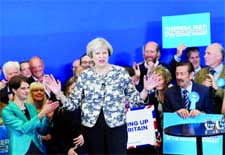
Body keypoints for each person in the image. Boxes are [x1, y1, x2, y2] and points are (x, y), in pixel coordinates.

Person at [45, 37, 144, 155]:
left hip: (116, 126)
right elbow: (72, 105)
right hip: (92, 128)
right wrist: (58, 93)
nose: (101, 56)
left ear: (109, 54)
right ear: (92, 56)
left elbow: (136, 100)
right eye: (97, 53)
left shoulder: (121, 73)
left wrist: (146, 89)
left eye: (104, 53)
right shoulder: (84, 76)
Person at [2, 75, 59, 155]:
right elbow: (23, 128)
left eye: (28, 88)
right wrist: (42, 113)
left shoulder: (31, 108)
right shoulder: (7, 111)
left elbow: (42, 131)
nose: (27, 91)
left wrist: (48, 118)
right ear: (14, 90)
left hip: (37, 148)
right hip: (19, 151)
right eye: (23, 88)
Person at [48, 76, 87, 155]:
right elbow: (56, 132)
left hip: (82, 147)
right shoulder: (60, 107)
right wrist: (67, 149)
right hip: (63, 148)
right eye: (73, 89)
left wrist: (85, 135)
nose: (76, 92)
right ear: (68, 88)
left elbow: (94, 127)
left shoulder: (89, 106)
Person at [195, 43, 225, 113]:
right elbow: (193, 95)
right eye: (205, 53)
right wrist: (201, 88)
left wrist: (217, 88)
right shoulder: (200, 73)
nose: (205, 56)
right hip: (203, 116)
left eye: (208, 53)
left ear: (219, 56)